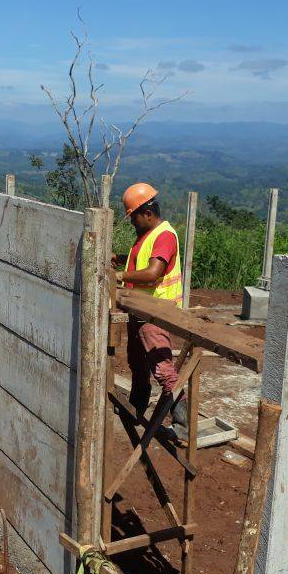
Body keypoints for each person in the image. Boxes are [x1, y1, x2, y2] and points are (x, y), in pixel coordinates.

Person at [114, 183, 189, 439]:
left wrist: (120, 274)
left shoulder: (164, 236)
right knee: (137, 364)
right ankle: (136, 408)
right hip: (140, 310)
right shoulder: (147, 236)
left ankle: (183, 426)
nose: (132, 222)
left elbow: (154, 272)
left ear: (147, 212)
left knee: (163, 369)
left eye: (133, 216)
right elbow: (144, 262)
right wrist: (123, 259)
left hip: (156, 313)